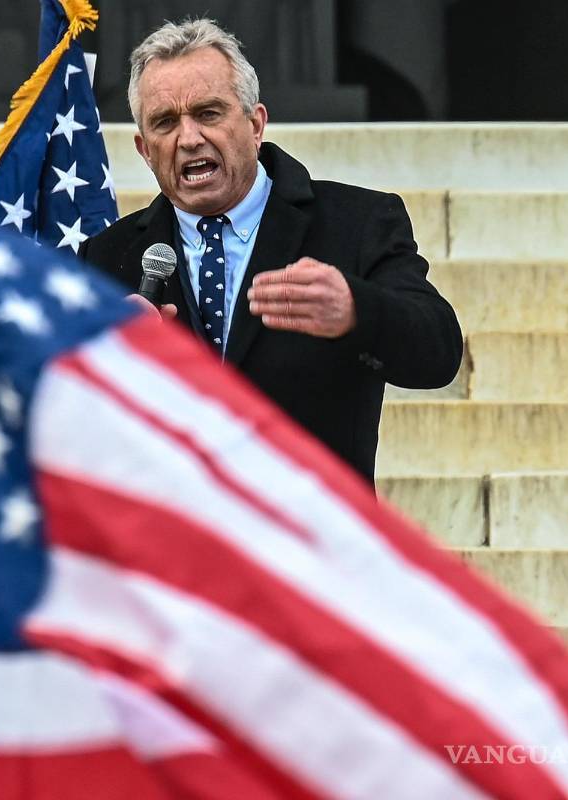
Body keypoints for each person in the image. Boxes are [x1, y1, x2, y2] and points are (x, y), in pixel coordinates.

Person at [78, 17, 462, 482]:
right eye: (165, 122)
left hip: (311, 538)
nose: (189, 138)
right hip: (174, 544)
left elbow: (437, 353)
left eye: (209, 113)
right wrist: (105, 367)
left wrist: (355, 310)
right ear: (144, 149)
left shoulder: (356, 223)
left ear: (256, 125)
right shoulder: (107, 257)